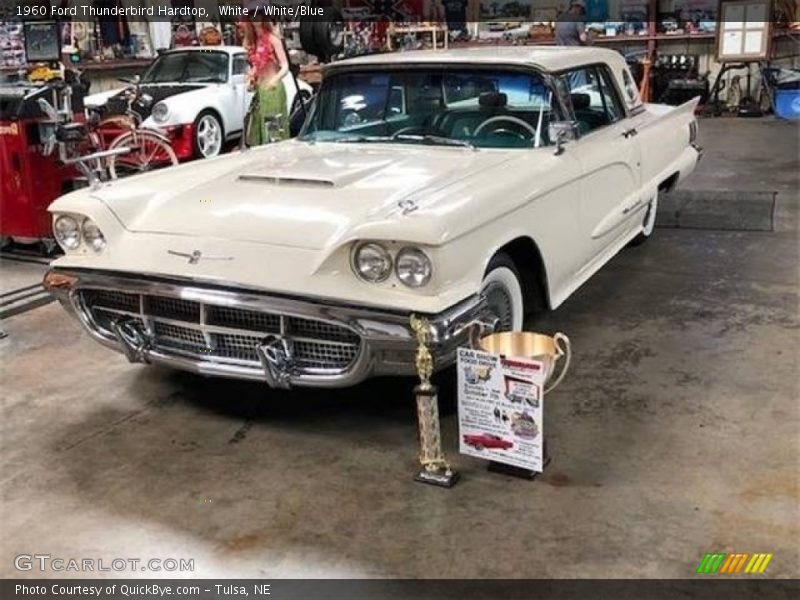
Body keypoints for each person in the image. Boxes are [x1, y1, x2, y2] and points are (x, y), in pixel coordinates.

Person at [241, 14, 289, 145]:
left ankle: (277, 161)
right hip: (260, 91)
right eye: (251, 15)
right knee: (256, 132)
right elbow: (256, 66)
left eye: (258, 14)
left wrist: (275, 79)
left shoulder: (273, 39)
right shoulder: (252, 43)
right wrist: (251, 78)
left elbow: (285, 66)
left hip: (273, 90)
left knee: (273, 131)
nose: (255, 18)